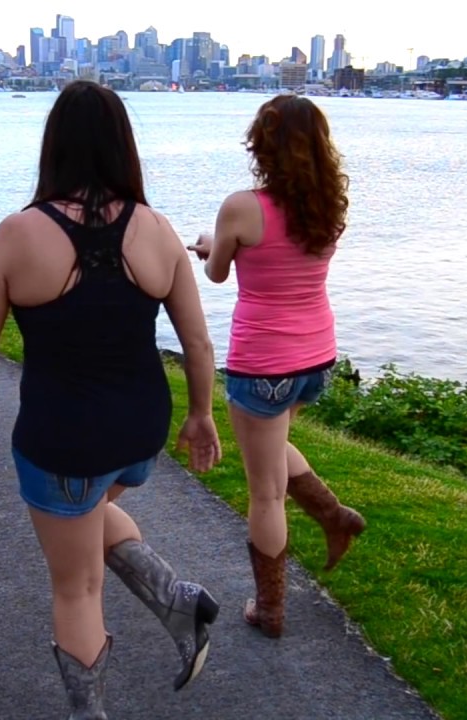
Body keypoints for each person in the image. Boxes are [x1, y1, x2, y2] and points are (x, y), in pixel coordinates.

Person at [0, 80, 222, 718]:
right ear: (122, 147)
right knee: (88, 513)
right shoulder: (156, 229)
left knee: (76, 587)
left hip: (64, 438)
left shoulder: (19, 233)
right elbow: (198, 343)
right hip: (138, 432)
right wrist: (200, 414)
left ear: (55, 147)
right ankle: (179, 604)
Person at [188, 95, 365, 640]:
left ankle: (270, 611)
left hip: (263, 362)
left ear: (261, 145)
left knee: (264, 491)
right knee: (271, 442)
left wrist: (208, 245)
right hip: (316, 358)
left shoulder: (242, 207)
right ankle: (335, 516)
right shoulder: (329, 207)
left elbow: (218, 273)